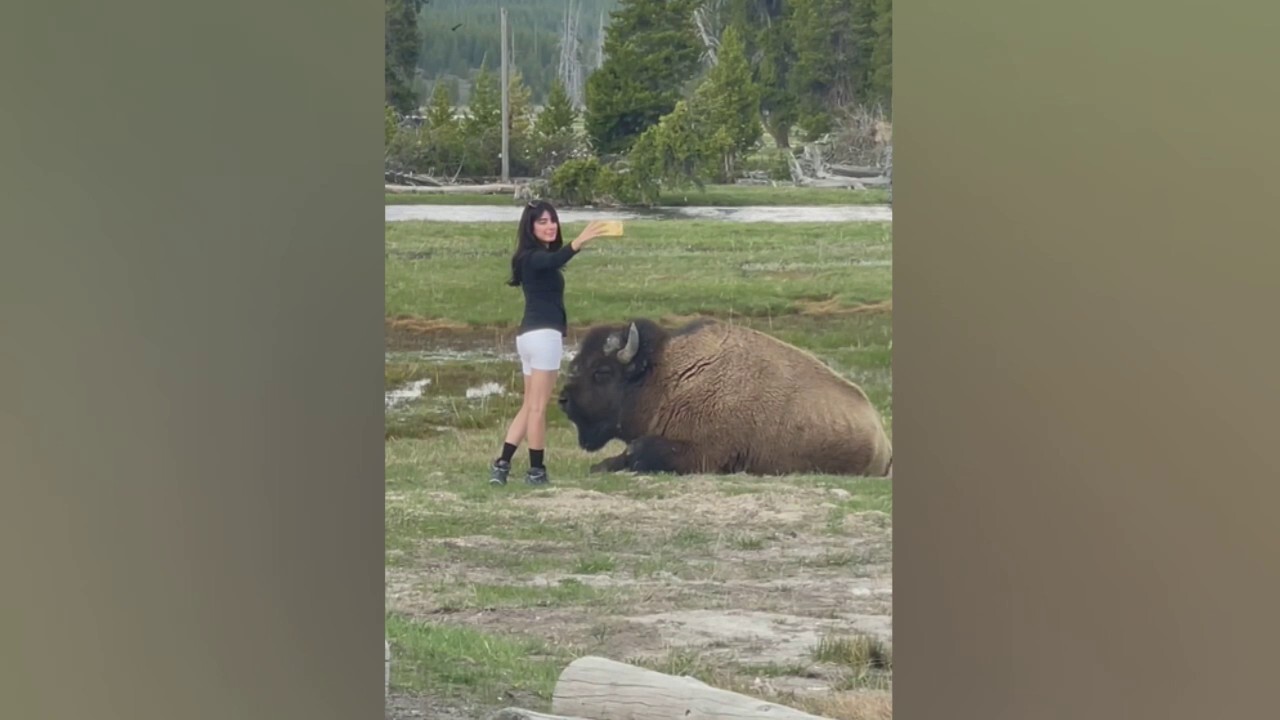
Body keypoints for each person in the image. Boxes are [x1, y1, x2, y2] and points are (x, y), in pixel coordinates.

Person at [490, 201, 612, 486]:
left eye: (552, 220)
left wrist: (571, 247)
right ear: (530, 227)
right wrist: (577, 243)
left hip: (529, 338)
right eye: (542, 221)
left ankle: (502, 464)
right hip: (544, 338)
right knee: (538, 408)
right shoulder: (532, 258)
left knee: (529, 404)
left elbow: (552, 261)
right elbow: (553, 261)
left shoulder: (529, 258)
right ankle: (536, 471)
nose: (550, 226)